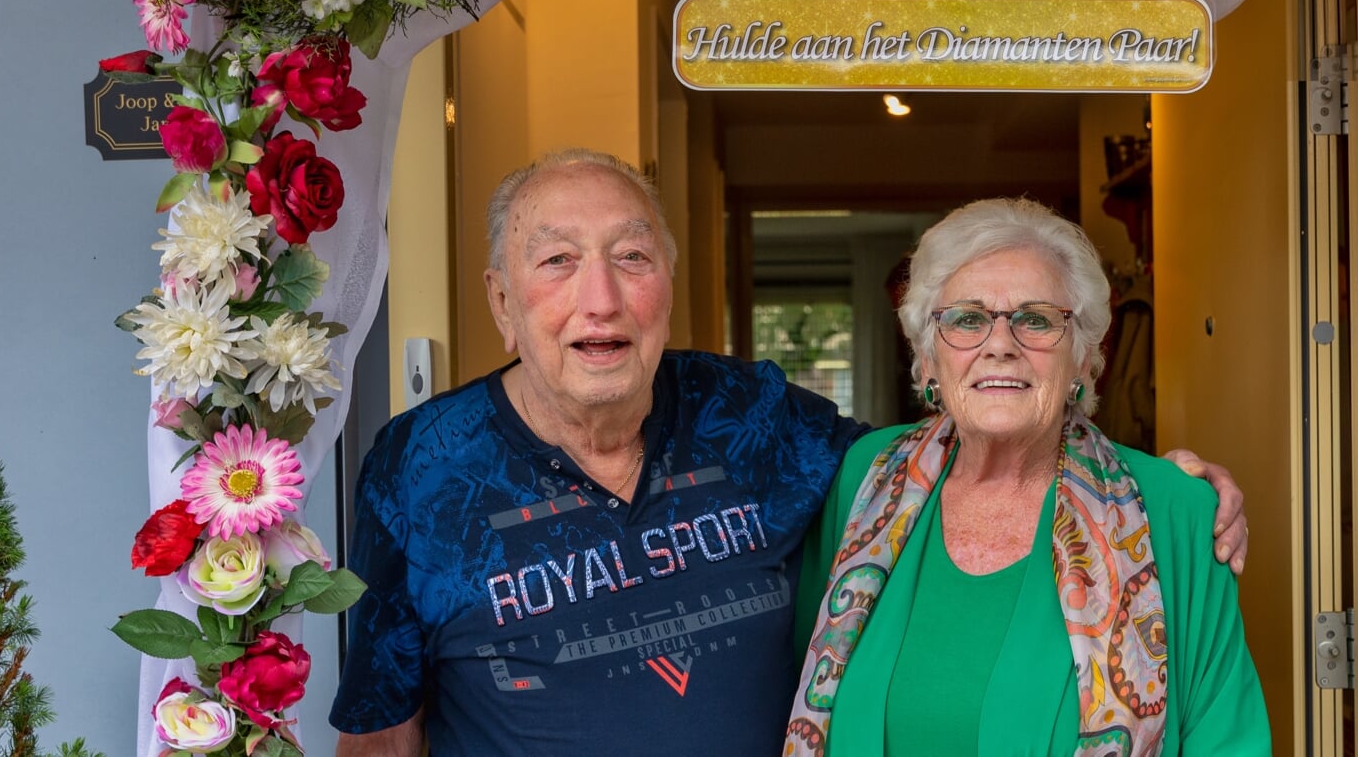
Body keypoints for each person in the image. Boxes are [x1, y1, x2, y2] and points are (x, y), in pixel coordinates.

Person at [331, 150, 1252, 755]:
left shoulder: (766, 424)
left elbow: (980, 436)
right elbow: (381, 733)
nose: (599, 300)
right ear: (500, 299)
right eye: (557, 261)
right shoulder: (417, 469)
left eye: (633, 258)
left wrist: (1167, 487)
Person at [788, 198, 1270, 756]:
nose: (999, 345)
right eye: (967, 319)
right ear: (927, 359)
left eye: (1036, 319)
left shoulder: (1176, 513)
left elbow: (1229, 742)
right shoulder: (863, 479)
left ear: (1083, 359)